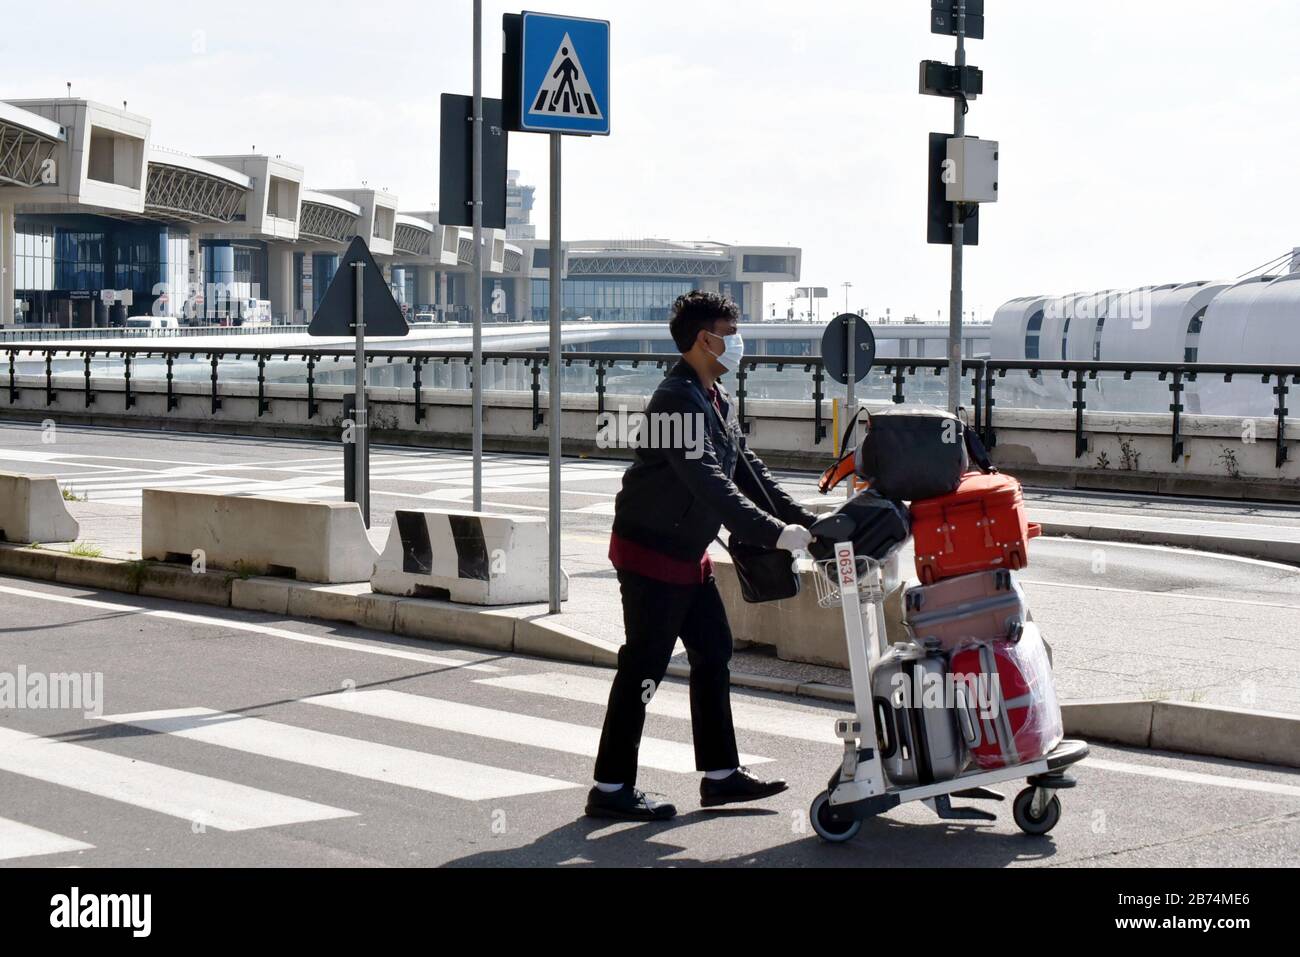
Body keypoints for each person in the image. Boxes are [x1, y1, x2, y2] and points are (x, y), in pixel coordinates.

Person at [586, 291, 819, 821]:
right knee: (643, 670)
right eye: (728, 333)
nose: (736, 343)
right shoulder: (675, 399)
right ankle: (610, 787)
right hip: (651, 555)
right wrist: (774, 534)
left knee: (713, 654)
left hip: (686, 555)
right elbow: (709, 482)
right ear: (702, 340)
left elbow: (746, 470)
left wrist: (804, 520)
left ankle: (721, 777)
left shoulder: (712, 396)